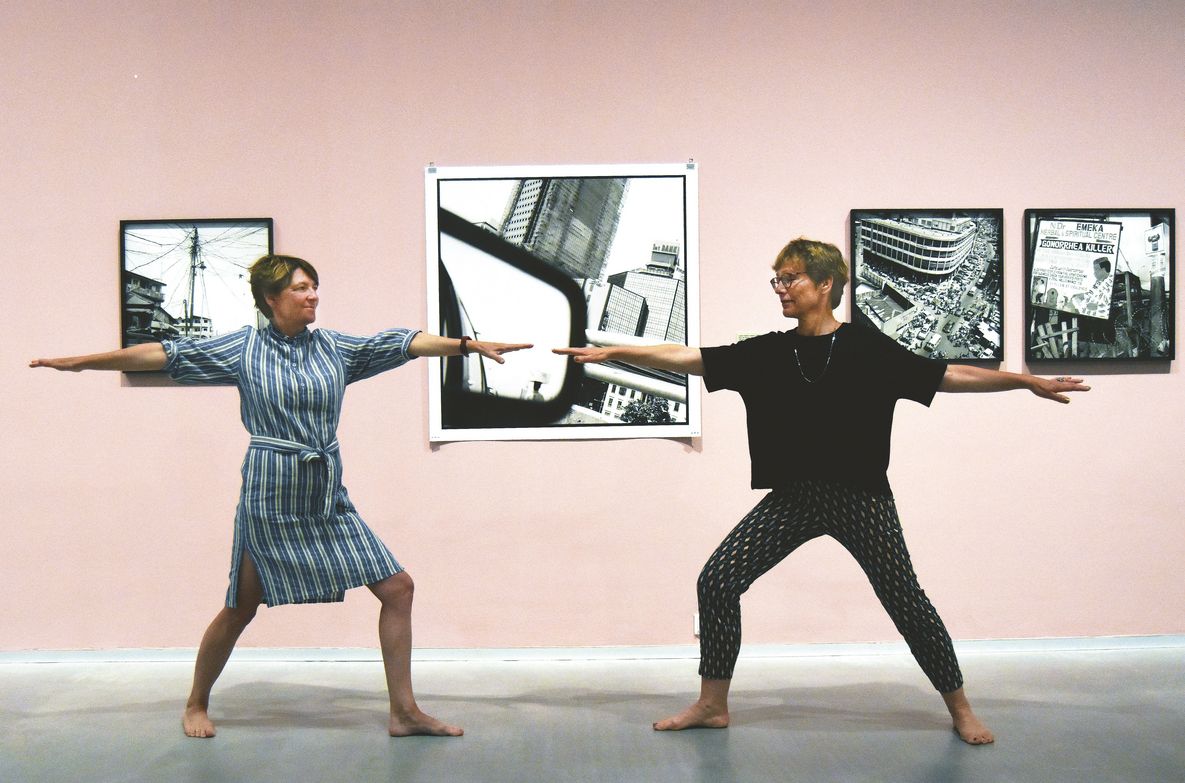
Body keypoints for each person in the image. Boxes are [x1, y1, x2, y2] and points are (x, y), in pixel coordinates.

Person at [555, 237, 1089, 745]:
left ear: (828, 283)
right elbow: (690, 357)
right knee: (717, 581)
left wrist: (1025, 380)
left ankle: (961, 709)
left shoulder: (865, 348)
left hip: (862, 497)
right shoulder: (766, 353)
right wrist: (618, 354)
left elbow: (946, 374)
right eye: (776, 280)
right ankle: (712, 705)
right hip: (794, 499)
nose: (781, 287)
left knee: (904, 599)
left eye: (791, 278)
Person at [30, 254, 530, 739]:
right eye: (300, 288)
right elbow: (164, 354)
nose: (313, 295)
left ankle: (405, 712)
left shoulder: (334, 348)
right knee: (241, 605)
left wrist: (466, 345)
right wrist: (80, 363)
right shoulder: (244, 348)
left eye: (314, 287)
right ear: (271, 298)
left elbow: (402, 342)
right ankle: (196, 701)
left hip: (325, 489)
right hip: (270, 489)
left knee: (398, 588)